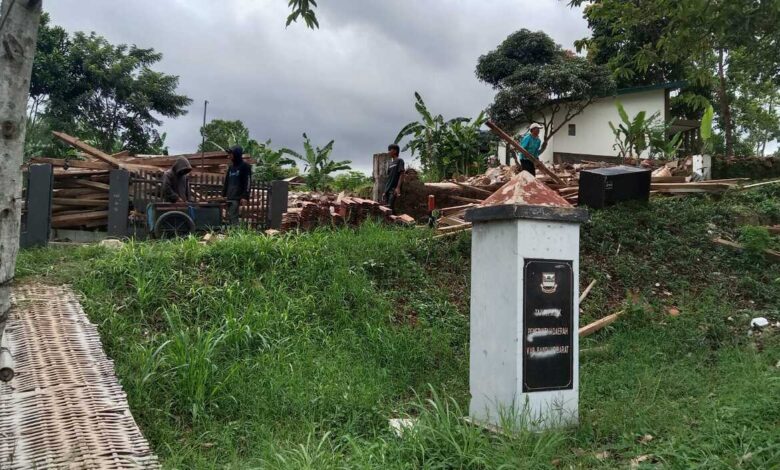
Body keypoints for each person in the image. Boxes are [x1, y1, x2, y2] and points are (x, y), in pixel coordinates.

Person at [222, 145, 252, 225]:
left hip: (237, 197)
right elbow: (227, 182)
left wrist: (245, 196)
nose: (229, 156)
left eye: (230, 154)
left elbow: (248, 182)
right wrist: (224, 194)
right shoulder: (231, 168)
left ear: (236, 154)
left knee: (233, 216)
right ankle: (233, 234)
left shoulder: (245, 166)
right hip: (230, 196)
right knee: (230, 217)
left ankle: (235, 234)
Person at [383, 144, 404, 214]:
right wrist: (385, 191)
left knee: (390, 206)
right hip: (388, 189)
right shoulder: (391, 164)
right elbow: (389, 178)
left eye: (390, 150)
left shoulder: (399, 161)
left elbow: (401, 174)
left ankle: (393, 223)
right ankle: (394, 222)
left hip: (394, 189)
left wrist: (398, 188)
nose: (388, 152)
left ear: (395, 151)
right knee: (387, 207)